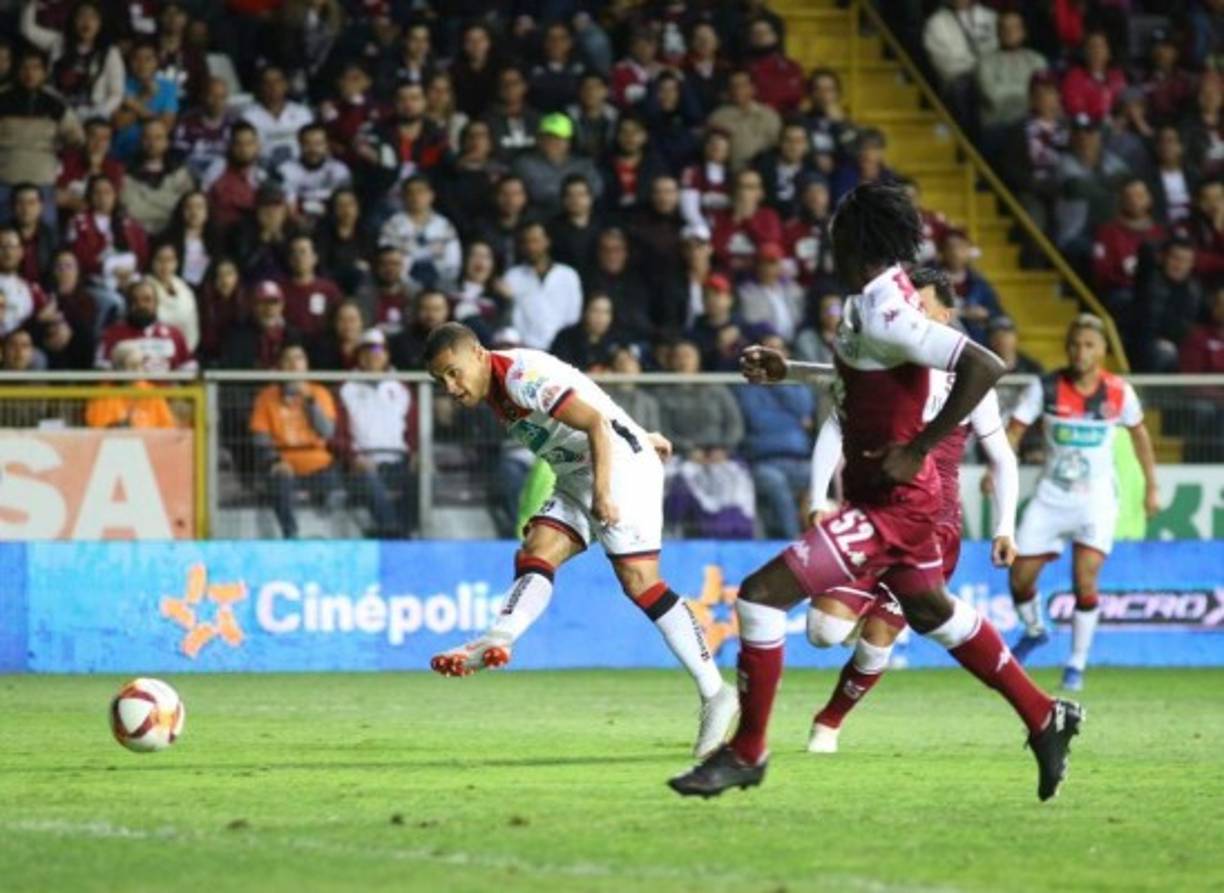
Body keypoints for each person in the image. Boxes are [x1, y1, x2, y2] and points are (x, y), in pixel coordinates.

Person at [669, 182, 1080, 802]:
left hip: (896, 508)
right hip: (890, 505)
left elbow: (984, 365)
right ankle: (1044, 715)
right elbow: (865, 371)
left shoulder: (889, 306)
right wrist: (793, 370)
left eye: (835, 233)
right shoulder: (870, 304)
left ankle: (748, 750)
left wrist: (918, 447)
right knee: (933, 613)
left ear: (852, 240)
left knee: (758, 599)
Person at [423, 322, 738, 759]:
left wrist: (605, 489)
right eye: (441, 382)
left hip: (616, 470)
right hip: (580, 472)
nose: (451, 388)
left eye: (454, 373)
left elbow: (593, 423)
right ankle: (499, 637)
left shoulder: (517, 378)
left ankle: (716, 692)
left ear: (477, 352)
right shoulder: (495, 385)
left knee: (640, 582)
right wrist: (638, 433)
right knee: (538, 549)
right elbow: (588, 393)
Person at [802, 267, 1019, 753]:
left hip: (931, 527)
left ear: (947, 314)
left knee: (878, 638)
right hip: (872, 514)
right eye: (906, 307)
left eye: (921, 308)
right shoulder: (882, 364)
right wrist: (820, 497)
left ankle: (829, 723)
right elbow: (835, 428)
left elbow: (1002, 457)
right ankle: (867, 608)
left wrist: (1006, 526)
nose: (911, 316)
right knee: (822, 631)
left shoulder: (971, 375)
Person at [1007, 314, 1160, 692]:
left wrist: (1152, 486)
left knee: (1084, 579)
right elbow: (1013, 432)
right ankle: (1035, 629)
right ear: (1067, 348)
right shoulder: (1044, 387)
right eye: (1075, 344)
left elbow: (1140, 437)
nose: (1081, 352)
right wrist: (999, 469)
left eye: (1089, 345)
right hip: (1050, 495)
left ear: (1103, 351)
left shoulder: (1118, 392)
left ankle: (1075, 664)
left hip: (1096, 500)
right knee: (1019, 576)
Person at [249, 342, 344, 540]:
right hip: (283, 461)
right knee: (280, 482)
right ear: (280, 366)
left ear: (306, 364)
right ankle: (290, 533)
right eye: (288, 359)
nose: (293, 364)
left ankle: (330, 540)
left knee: (337, 491)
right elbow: (260, 438)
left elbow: (326, 432)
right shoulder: (266, 396)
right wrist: (275, 461)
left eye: (299, 358)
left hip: (317, 462)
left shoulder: (319, 393)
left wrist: (309, 400)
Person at [338, 328, 416, 538]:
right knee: (368, 480)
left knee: (425, 476)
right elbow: (339, 433)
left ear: (387, 355)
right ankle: (397, 535)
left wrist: (416, 454)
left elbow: (413, 431)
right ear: (360, 356)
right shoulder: (346, 388)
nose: (374, 355)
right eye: (367, 351)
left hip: (398, 461)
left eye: (379, 350)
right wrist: (353, 457)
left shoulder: (401, 387)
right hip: (362, 464)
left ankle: (400, 532)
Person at [0, 47, 82, 225]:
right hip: (5, 179)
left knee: (46, 237)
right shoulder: (2, 98)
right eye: (25, 67)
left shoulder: (56, 104)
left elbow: (77, 139)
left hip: (43, 181)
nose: (30, 73)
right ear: (16, 70)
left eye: (36, 68)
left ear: (45, 72)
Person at [504, 221, 582, 350]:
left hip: (563, 349)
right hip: (526, 350)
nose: (531, 247)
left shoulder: (568, 275)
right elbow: (511, 317)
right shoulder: (513, 276)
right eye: (526, 242)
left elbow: (573, 316)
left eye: (535, 241)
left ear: (547, 241)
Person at [378, 174, 462, 292]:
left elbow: (453, 261)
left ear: (431, 195)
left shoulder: (444, 226)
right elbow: (387, 259)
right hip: (403, 285)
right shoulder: (393, 225)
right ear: (403, 197)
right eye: (410, 193)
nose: (415, 197)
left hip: (440, 283)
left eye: (420, 192)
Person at [512, 113, 603, 218]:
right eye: (548, 137)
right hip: (540, 221)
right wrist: (574, 196)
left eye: (560, 138)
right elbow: (531, 194)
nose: (553, 142)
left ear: (569, 142)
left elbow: (596, 191)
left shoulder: (584, 165)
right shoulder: (524, 164)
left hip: (578, 221)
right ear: (539, 139)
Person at [96, 278, 195, 372]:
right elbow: (102, 374)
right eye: (135, 300)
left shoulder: (175, 335)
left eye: (147, 300)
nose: (141, 305)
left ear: (156, 303)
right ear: (128, 304)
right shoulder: (112, 334)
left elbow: (189, 373)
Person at [121, 119, 195, 235]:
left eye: (158, 138)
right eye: (147, 138)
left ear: (167, 142)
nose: (152, 143)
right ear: (140, 141)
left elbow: (187, 207)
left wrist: (147, 199)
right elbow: (132, 210)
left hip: (175, 234)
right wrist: (169, 203)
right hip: (138, 235)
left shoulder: (179, 171)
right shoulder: (126, 173)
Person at [277, 122, 353, 226]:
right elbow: (290, 209)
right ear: (299, 144)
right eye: (307, 144)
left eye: (318, 144)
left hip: (332, 222)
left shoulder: (339, 169)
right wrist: (300, 222)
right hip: (299, 223)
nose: (313, 149)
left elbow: (345, 204)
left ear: (327, 145)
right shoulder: (286, 169)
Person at [707, 70, 781, 171]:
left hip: (762, 175)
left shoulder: (770, 116)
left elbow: (777, 148)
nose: (738, 90)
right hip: (730, 175)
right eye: (734, 86)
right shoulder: (718, 118)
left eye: (743, 85)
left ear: (753, 88)